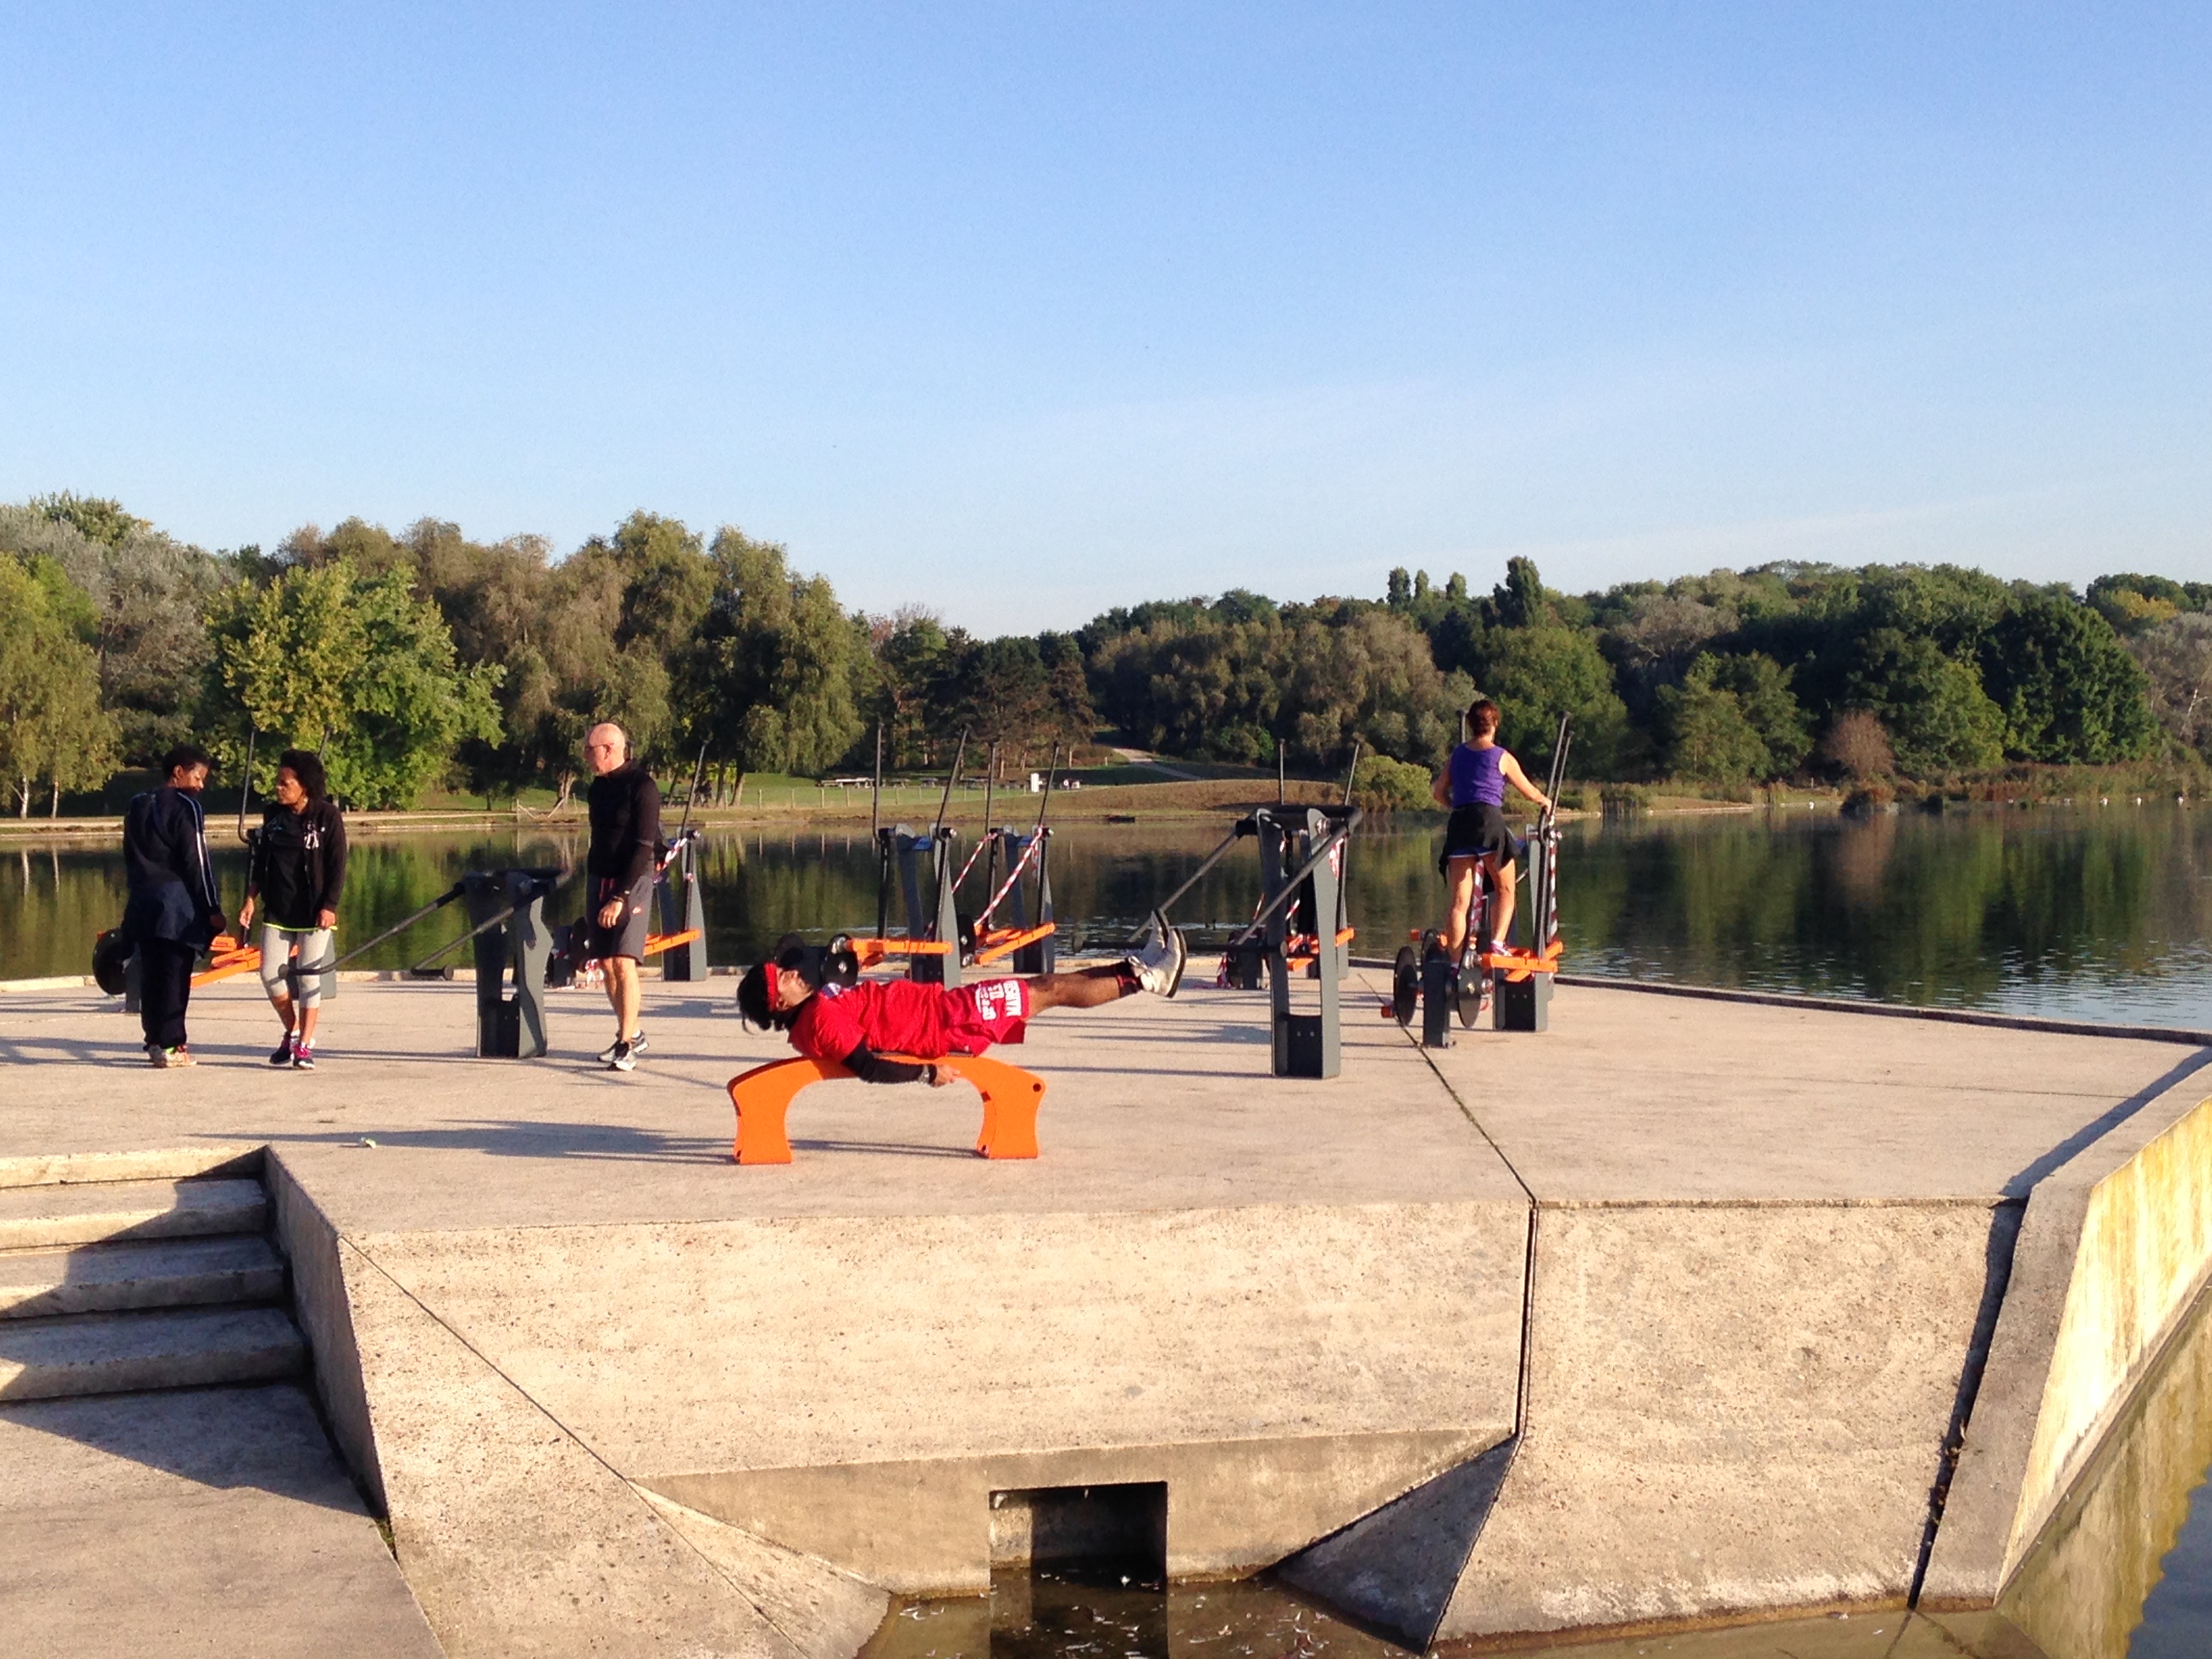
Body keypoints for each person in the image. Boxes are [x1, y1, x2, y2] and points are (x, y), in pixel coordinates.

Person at [736, 919, 1188, 1082]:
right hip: (948, 1024)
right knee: (1049, 990)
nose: (793, 973)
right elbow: (868, 1066)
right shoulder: (818, 1021)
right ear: (779, 1003)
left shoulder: (814, 1006)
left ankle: (1140, 967)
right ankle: (1149, 978)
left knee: (1046, 988)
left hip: (947, 1008)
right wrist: (928, 1072)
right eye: (784, 979)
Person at [237, 750, 347, 1071]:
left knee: (310, 979)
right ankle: (293, 1030)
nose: (278, 788)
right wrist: (250, 899)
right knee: (270, 973)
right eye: (278, 782)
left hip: (315, 911)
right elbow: (261, 862)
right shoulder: (273, 815)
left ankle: (304, 1046)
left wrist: (330, 905)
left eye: (285, 783)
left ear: (305, 786)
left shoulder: (327, 816)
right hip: (279, 908)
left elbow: (338, 864)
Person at [121, 743, 225, 1067]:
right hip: (176, 904)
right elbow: (197, 862)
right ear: (178, 773)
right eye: (198, 777)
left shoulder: (137, 803)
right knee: (175, 975)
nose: (201, 785)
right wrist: (212, 908)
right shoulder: (185, 807)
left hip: (143, 900)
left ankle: (154, 1040)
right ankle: (172, 1045)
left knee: (151, 973)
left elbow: (129, 854)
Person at [1431, 699, 1551, 958]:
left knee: (1459, 902)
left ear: (1472, 725)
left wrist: (1457, 805)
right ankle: (1497, 944)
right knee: (1505, 888)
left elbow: (1438, 793)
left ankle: (1454, 963)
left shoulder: (1458, 755)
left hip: (1460, 823)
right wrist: (1545, 801)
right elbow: (1527, 790)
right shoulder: (1502, 757)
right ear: (1495, 724)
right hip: (1489, 822)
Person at [583, 721, 660, 1071]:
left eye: (590, 750)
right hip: (600, 876)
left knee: (625, 960)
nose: (586, 756)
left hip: (634, 880)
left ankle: (626, 1045)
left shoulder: (642, 787)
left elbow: (644, 845)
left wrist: (621, 896)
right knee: (607, 962)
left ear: (610, 749)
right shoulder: (597, 789)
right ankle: (632, 1031)